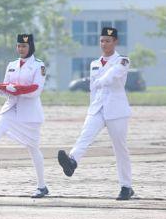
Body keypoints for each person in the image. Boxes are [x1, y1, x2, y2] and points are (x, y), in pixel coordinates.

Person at [57, 27, 134, 201]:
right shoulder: (95, 63)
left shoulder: (123, 61)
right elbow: (93, 90)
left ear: (115, 42)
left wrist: (98, 82)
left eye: (108, 41)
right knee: (85, 136)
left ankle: (126, 186)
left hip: (116, 110)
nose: (104, 44)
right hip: (97, 108)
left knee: (120, 149)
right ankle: (72, 162)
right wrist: (91, 107)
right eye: (102, 41)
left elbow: (111, 77)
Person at [0, 34, 49, 198]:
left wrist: (17, 89)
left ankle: (42, 186)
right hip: (12, 107)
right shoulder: (12, 65)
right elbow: (6, 88)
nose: (21, 49)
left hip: (29, 112)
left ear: (31, 47)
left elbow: (36, 89)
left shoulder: (38, 66)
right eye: (18, 46)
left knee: (33, 149)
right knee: (0, 126)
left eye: (24, 46)